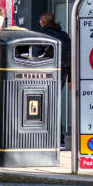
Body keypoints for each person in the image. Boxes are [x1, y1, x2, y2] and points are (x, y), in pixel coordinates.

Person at [38, 12, 71, 147]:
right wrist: (70, 78)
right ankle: (59, 139)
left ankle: (47, 138)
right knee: (54, 104)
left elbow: (36, 55)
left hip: (44, 73)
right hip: (62, 73)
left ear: (43, 22)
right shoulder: (64, 35)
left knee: (44, 105)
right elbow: (70, 56)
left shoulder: (41, 34)